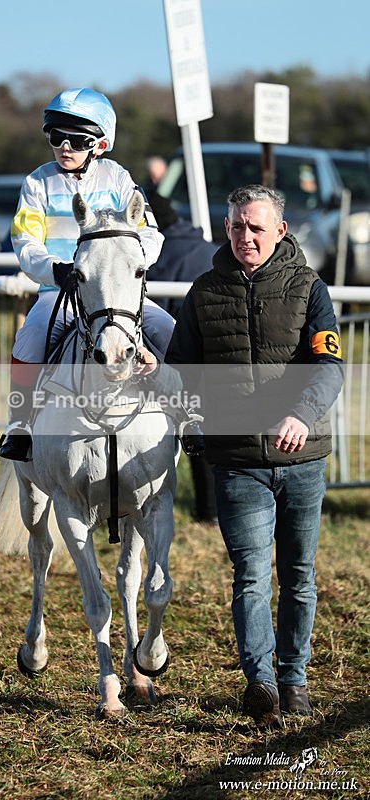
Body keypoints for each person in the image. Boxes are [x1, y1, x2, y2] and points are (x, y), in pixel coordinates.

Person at [165, 184, 344, 728]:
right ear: (226, 228)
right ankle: (261, 683)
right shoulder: (203, 292)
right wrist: (161, 377)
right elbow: (182, 370)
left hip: (302, 458)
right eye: (238, 226)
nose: (246, 236)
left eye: (257, 227)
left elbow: (329, 366)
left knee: (299, 576)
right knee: (250, 576)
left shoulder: (309, 288)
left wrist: (302, 415)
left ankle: (294, 680)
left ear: (280, 231)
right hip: (237, 460)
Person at [0, 88, 175, 461]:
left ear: (100, 144)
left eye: (76, 140)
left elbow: (151, 234)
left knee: (170, 329)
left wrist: (129, 264)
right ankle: (20, 425)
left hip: (118, 295)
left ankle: (189, 414)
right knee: (29, 338)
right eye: (56, 137)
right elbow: (25, 241)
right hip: (59, 293)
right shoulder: (36, 183)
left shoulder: (119, 178)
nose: (64, 147)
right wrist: (54, 270)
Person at [145, 189, 219, 524]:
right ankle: (210, 511)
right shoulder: (201, 243)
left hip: (179, 353)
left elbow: (152, 310)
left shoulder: (158, 253)